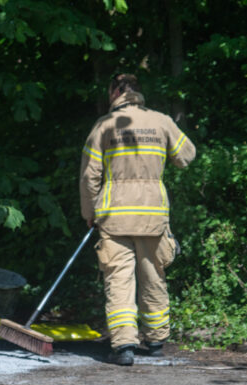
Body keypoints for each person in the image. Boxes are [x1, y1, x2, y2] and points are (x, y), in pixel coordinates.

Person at [79, 73, 196, 366]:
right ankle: (156, 340)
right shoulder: (161, 121)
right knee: (153, 276)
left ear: (116, 92)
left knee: (118, 280)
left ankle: (124, 346)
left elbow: (89, 176)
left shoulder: (104, 126)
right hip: (152, 214)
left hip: (113, 215)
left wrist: (89, 213)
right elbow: (187, 156)